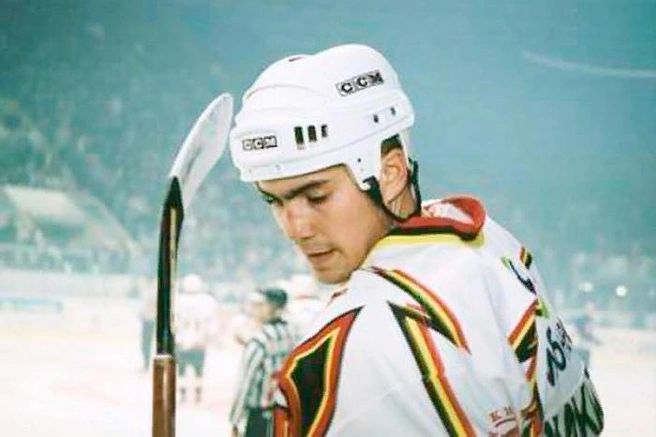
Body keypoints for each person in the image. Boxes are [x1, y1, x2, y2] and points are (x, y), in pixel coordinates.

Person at [227, 44, 606, 436]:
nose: (294, 228)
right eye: (274, 200)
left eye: (316, 196)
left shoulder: (360, 340)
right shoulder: (490, 241)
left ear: (389, 173)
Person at [229, 287, 297, 437]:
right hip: (288, 414)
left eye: (260, 305)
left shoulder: (259, 341)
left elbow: (245, 383)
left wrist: (235, 420)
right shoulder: (293, 334)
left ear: (269, 308)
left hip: (261, 416)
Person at [174, 273, 219, 404]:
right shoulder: (207, 301)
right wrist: (210, 338)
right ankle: (198, 395)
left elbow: (174, 321)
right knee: (198, 370)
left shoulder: (178, 300)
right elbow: (212, 323)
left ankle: (183, 395)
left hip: (182, 340)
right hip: (199, 340)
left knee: (181, 370)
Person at [138, 276, 157, 372]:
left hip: (150, 319)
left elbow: (153, 305)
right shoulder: (147, 292)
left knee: (146, 343)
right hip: (147, 319)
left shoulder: (152, 292)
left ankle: (147, 364)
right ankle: (146, 364)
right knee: (145, 343)